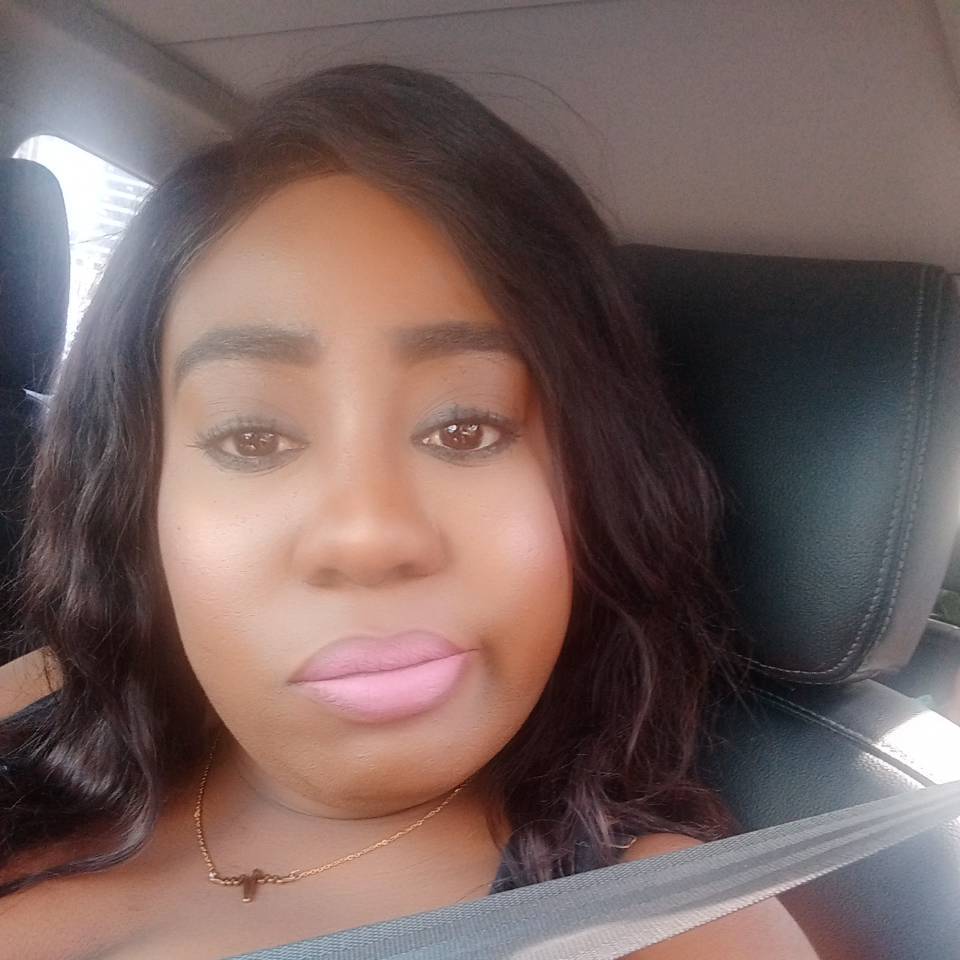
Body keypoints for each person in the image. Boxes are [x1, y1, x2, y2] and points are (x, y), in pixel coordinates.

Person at [0, 62, 820, 959]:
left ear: (595, 486)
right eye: (252, 438)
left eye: (467, 429)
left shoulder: (671, 928)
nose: (368, 537)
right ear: (139, 501)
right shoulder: (42, 702)